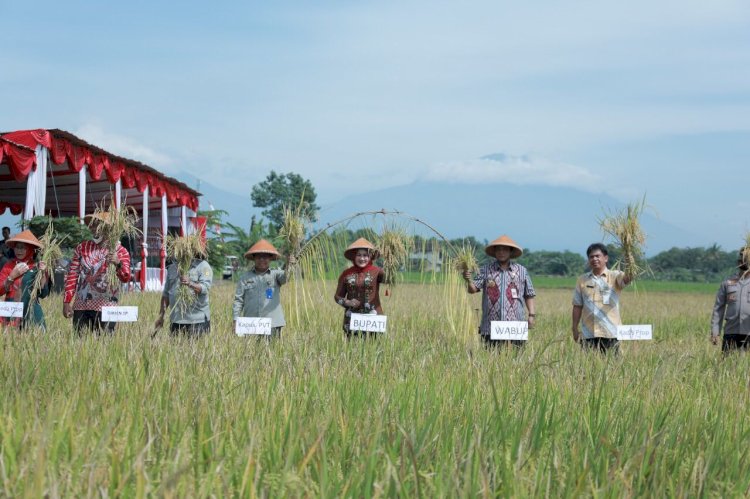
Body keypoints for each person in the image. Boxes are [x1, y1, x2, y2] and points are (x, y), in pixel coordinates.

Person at [462, 235, 536, 348]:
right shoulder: (485, 270)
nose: (501, 252)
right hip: (491, 327)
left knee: (516, 362)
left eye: (505, 249)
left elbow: (529, 294)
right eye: (498, 249)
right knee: (491, 360)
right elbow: (472, 289)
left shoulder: (521, 271)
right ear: (495, 251)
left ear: (510, 252)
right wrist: (468, 280)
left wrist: (531, 315)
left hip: (515, 327)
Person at [63, 213, 131, 334]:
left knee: (104, 346)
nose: (95, 229)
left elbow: (126, 277)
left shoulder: (120, 250)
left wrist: (118, 263)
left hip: (107, 306)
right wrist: (67, 301)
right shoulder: (82, 248)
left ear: (108, 228)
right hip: (82, 306)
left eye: (98, 225)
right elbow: (72, 275)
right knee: (80, 346)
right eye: (92, 225)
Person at [572, 243, 633, 353]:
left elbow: (628, 278)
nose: (594, 259)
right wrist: (574, 328)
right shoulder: (582, 280)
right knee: (588, 367)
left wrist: (629, 257)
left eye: (597, 256)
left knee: (613, 367)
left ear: (606, 258)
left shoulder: (615, 276)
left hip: (610, 332)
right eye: (591, 257)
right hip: (588, 334)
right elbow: (577, 305)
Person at [233, 239, 294, 338]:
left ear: (270, 259)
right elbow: (238, 300)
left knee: (272, 352)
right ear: (254, 258)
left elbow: (286, 277)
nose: (262, 260)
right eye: (259, 257)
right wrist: (235, 320)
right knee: (251, 353)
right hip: (250, 324)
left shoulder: (276, 274)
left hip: (272, 324)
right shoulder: (245, 278)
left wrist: (289, 264)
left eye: (265, 257)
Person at [155, 240, 212, 337]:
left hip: (197, 321)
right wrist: (161, 316)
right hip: (176, 320)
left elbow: (205, 289)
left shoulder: (203, 266)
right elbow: (166, 295)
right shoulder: (172, 268)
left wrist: (190, 283)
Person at [334, 238, 385, 338]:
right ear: (354, 256)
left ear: (370, 257)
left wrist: (390, 262)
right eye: (359, 255)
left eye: (365, 255)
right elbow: (337, 297)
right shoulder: (346, 274)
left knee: (373, 349)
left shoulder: (378, 272)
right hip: (352, 319)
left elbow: (389, 279)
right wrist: (348, 302)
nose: (362, 258)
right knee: (353, 349)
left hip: (374, 318)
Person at [0, 230, 51, 330]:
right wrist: (11, 277)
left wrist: (43, 274)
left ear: (31, 249)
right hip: (11, 309)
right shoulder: (8, 266)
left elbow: (43, 293)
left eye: (23, 248)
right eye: (17, 247)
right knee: (11, 341)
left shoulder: (37, 267)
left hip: (31, 309)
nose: (19, 250)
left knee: (35, 340)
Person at [710, 247, 750, 353]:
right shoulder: (728, 283)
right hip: (731, 332)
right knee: (728, 366)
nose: (742, 259)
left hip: (749, 333)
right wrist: (715, 331)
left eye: (745, 257)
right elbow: (718, 308)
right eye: (741, 256)